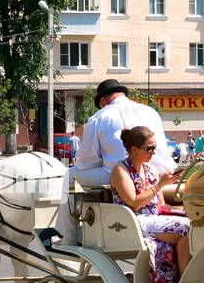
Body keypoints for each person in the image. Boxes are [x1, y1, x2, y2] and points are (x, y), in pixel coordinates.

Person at [56, 79, 175, 238]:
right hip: (159, 174)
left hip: (122, 176)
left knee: (69, 175)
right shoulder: (150, 111)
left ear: (104, 100)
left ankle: (66, 236)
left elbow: (86, 162)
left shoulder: (100, 117)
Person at [110, 125, 190, 283]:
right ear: (134, 149)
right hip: (134, 220)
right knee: (186, 229)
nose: (153, 152)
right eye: (149, 148)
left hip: (154, 219)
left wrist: (182, 211)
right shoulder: (120, 171)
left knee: (193, 223)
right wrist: (160, 184)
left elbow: (161, 205)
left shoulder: (150, 170)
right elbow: (134, 203)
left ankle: (184, 279)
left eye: (155, 148)